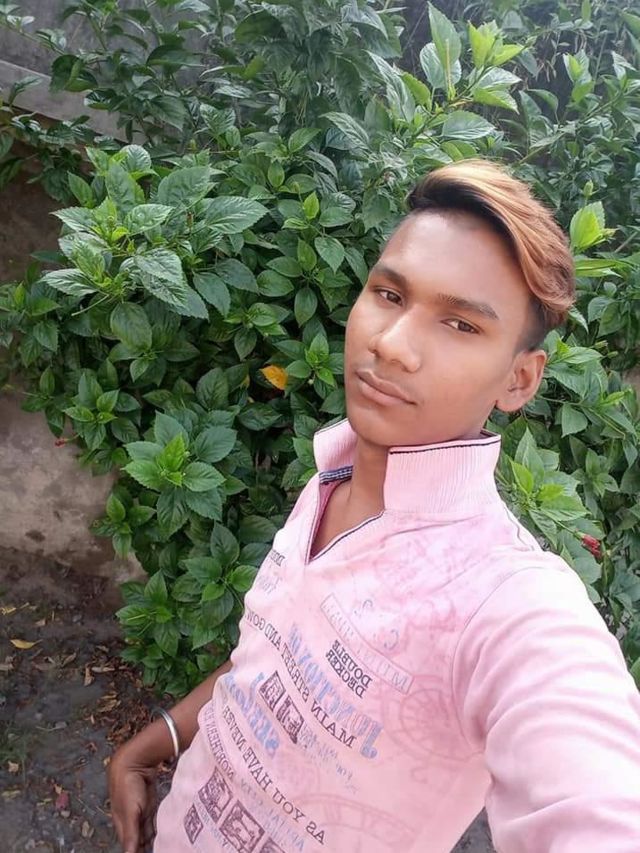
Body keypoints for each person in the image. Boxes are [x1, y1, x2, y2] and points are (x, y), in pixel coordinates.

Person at [108, 160, 640, 853]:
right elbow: (276, 657)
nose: (390, 345)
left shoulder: (506, 603)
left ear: (518, 380)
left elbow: (594, 798)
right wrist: (160, 739)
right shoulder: (332, 475)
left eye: (459, 324)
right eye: (389, 294)